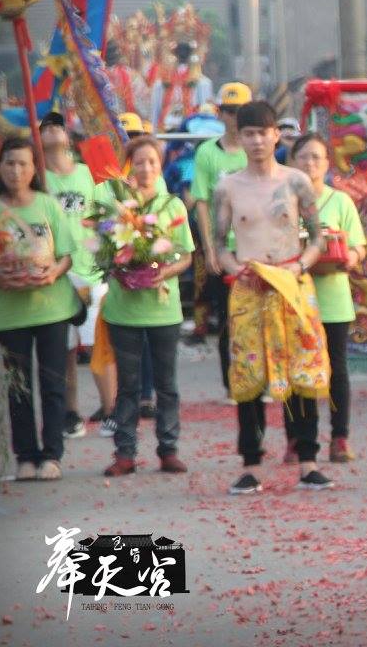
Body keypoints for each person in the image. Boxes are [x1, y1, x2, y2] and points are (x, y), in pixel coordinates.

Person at [211, 101, 332, 494]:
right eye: (249, 133)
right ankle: (251, 464)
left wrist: (299, 267)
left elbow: (317, 239)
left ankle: (308, 461)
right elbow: (219, 245)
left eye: (263, 133)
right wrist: (235, 268)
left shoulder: (296, 182)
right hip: (249, 289)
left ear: (276, 135)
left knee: (302, 373)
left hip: (292, 285)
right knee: (248, 377)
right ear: (240, 137)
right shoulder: (227, 187)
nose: (257, 141)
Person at [0, 137, 78, 481]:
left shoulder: (48, 206)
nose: (16, 170)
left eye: (23, 163)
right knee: (18, 386)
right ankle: (25, 455)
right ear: (0, 168)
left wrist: (53, 272)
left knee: (53, 383)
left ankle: (52, 455)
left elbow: (67, 255)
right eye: (10, 163)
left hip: (52, 309)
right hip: (11, 314)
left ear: (34, 168)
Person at [99, 136, 194, 477]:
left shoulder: (173, 206)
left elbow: (186, 256)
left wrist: (163, 272)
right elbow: (102, 251)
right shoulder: (116, 206)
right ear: (130, 166)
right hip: (123, 309)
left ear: (161, 164)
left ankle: (168, 449)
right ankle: (125, 453)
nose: (146, 168)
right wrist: (118, 265)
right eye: (139, 162)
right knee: (128, 385)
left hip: (163, 309)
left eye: (152, 161)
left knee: (166, 384)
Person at [291, 133, 367, 462]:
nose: (310, 163)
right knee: (296, 368)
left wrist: (351, 257)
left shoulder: (340, 201)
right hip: (294, 296)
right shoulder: (285, 201)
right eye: (304, 157)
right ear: (292, 162)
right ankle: (296, 439)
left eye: (317, 157)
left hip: (333, 298)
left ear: (327, 164)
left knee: (336, 368)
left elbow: (358, 245)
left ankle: (339, 437)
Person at [40, 114, 107, 439]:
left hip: (91, 269)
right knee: (64, 349)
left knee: (99, 345)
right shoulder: (37, 178)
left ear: (68, 135)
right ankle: (71, 413)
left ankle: (111, 409)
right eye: (45, 127)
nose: (53, 130)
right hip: (57, 274)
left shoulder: (87, 172)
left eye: (58, 125)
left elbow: (107, 214)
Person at [192, 82, 251, 399]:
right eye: (229, 111)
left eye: (240, 111)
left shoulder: (257, 149)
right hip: (224, 247)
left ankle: (262, 379)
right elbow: (201, 202)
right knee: (229, 318)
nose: (235, 118)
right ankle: (233, 383)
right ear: (220, 114)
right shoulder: (207, 152)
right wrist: (210, 249)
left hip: (256, 245)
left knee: (259, 316)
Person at [150, 40, 214, 132]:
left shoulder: (201, 82)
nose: (182, 54)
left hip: (191, 125)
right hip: (167, 124)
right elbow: (155, 110)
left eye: (185, 51)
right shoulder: (163, 81)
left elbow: (204, 109)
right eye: (180, 51)